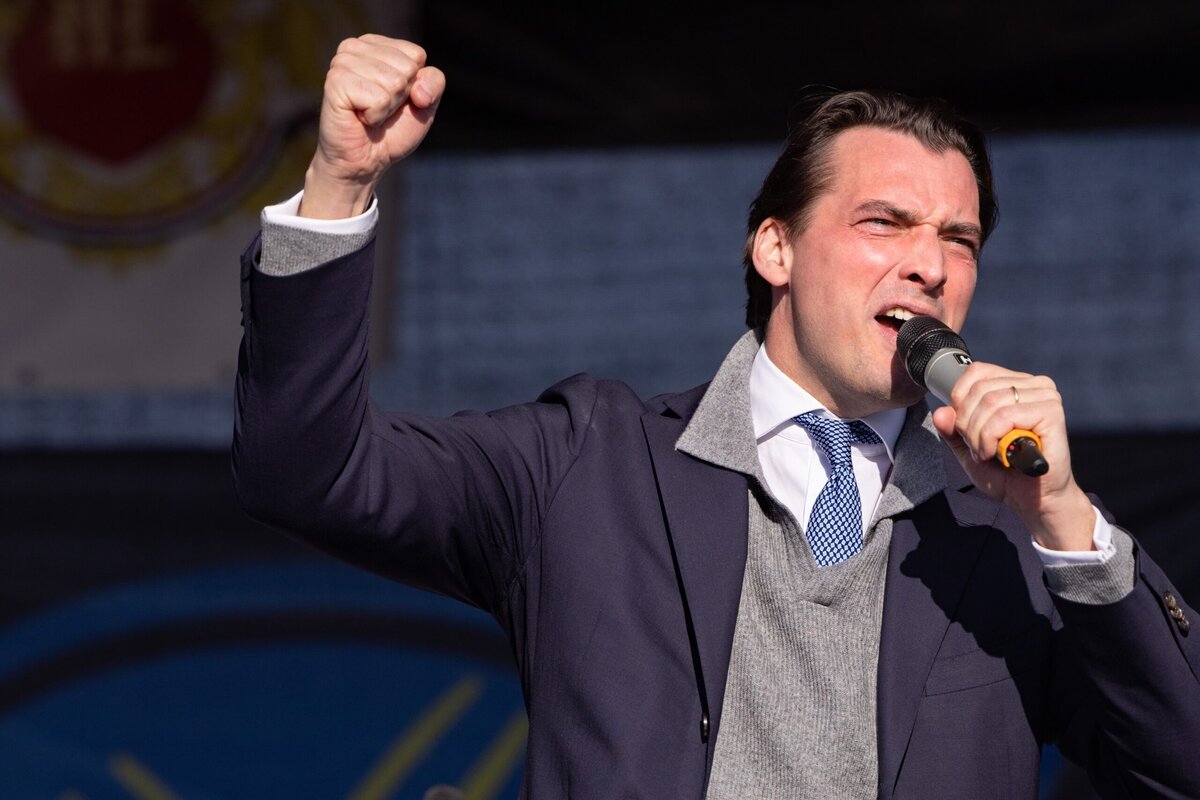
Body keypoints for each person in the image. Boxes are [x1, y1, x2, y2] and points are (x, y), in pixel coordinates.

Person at [232, 35, 1200, 799]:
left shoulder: (1005, 536)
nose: (930, 264)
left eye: (959, 238)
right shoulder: (587, 465)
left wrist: (1069, 523)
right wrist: (341, 181)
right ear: (775, 249)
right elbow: (304, 469)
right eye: (883, 223)